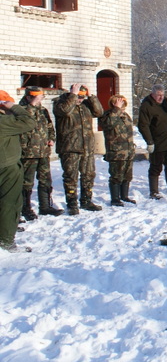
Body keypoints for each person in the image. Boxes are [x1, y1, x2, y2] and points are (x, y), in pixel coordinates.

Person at [53, 83, 104, 215]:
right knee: (71, 177)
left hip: (87, 146)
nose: (80, 99)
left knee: (89, 175)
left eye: (82, 97)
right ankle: (72, 204)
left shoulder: (85, 105)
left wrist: (91, 96)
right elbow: (64, 111)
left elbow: (99, 112)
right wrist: (73, 96)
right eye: (78, 96)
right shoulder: (60, 103)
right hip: (70, 147)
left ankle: (86, 200)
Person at [18, 86, 62, 219]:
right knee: (27, 182)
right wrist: (32, 105)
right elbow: (22, 124)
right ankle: (25, 208)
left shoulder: (43, 110)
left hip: (43, 151)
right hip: (28, 153)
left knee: (45, 180)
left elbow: (50, 127)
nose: (40, 99)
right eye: (36, 96)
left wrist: (51, 138)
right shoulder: (21, 110)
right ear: (28, 97)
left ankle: (45, 206)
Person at [0, 90, 36, 251]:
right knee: (9, 203)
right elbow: (29, 122)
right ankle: (6, 241)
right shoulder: (4, 121)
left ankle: (6, 230)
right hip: (7, 167)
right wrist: (14, 107)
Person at [137, 84, 167, 199]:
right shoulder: (147, 106)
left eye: (162, 95)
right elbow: (143, 125)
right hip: (157, 142)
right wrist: (149, 141)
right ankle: (154, 191)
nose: (161, 97)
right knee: (156, 166)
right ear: (152, 94)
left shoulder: (165, 104)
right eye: (158, 95)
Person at [99, 95, 136, 207]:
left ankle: (124, 196)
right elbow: (109, 124)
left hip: (128, 151)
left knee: (127, 175)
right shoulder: (108, 115)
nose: (121, 105)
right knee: (116, 176)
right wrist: (116, 109)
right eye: (119, 102)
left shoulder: (125, 115)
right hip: (116, 152)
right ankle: (115, 199)